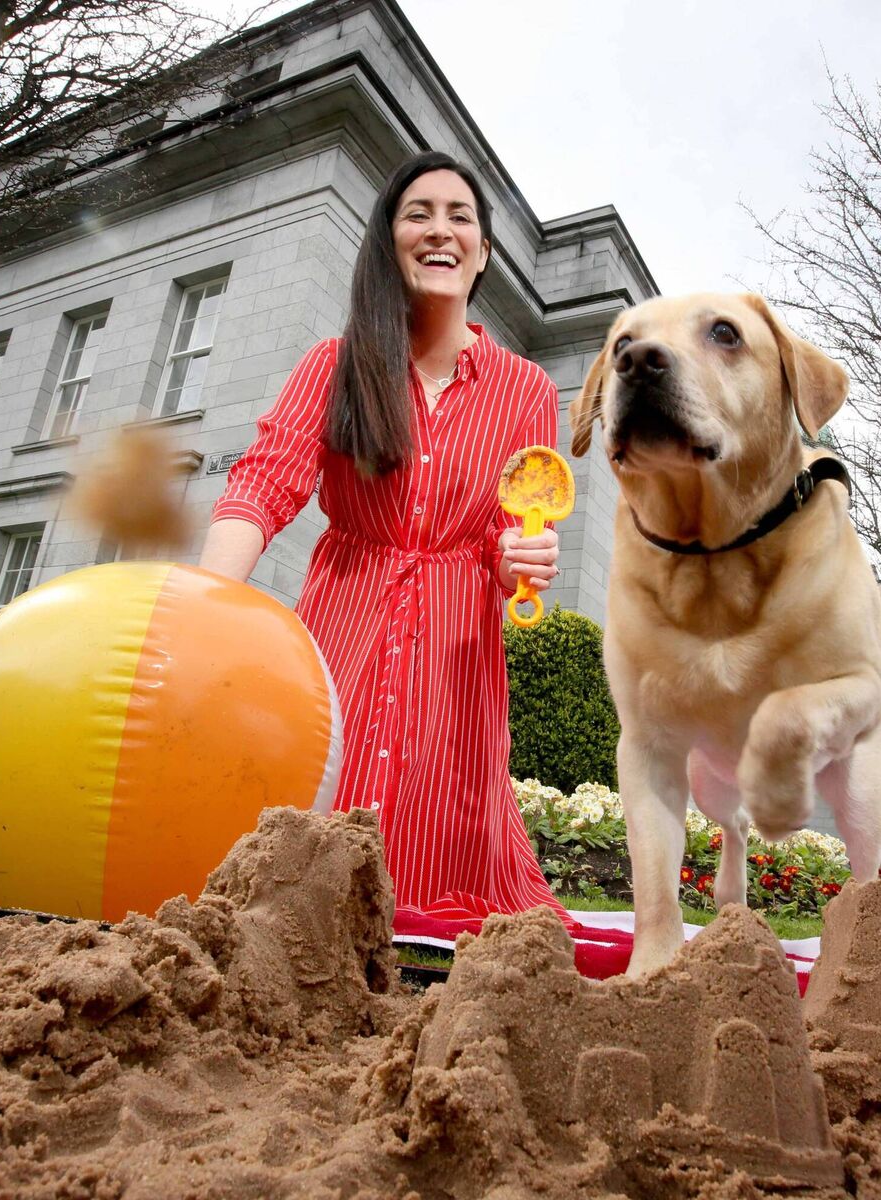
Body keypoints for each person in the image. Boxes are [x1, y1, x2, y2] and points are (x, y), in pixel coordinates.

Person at [200, 150, 564, 921]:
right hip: (344, 624)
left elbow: (512, 539)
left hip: (455, 647)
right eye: (417, 214)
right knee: (307, 848)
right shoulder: (334, 365)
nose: (439, 230)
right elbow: (264, 484)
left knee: (438, 868)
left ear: (484, 253)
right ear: (388, 240)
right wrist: (204, 604)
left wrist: (518, 560)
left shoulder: (526, 389)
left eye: (459, 216)